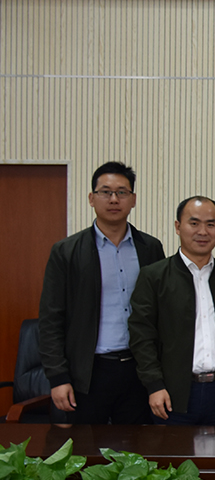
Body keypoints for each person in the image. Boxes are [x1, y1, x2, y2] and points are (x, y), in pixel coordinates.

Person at [38, 161, 165, 424]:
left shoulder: (150, 248)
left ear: (133, 200)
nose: (114, 199)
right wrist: (58, 377)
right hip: (89, 372)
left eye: (122, 192)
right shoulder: (66, 251)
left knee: (137, 445)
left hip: (138, 370)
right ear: (91, 198)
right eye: (105, 192)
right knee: (86, 446)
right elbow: (51, 319)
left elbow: (160, 312)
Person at [129, 196, 215, 425]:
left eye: (210, 224)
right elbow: (141, 336)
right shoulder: (154, 276)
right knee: (173, 450)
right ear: (178, 227)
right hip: (171, 394)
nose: (203, 231)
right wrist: (154, 385)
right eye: (194, 223)